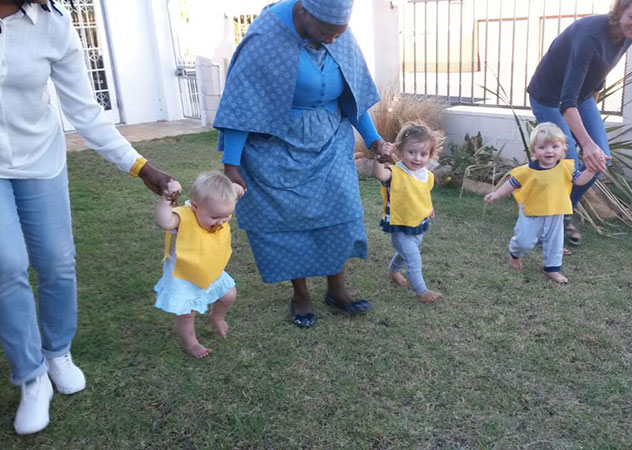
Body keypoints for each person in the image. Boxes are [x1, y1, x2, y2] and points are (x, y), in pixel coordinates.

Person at [0, 0, 178, 435]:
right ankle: (32, 376)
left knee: (58, 262)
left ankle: (57, 352)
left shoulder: (53, 25)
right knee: (5, 265)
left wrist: (141, 167)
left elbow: (84, 110)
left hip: (40, 160)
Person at [213, 0, 393, 329]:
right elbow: (242, 105)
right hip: (278, 147)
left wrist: (373, 139)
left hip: (331, 144)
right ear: (304, 11)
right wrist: (231, 164)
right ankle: (301, 294)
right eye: (327, 32)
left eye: (340, 33)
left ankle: (337, 290)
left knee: (340, 212)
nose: (334, 40)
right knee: (289, 221)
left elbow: (350, 96)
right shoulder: (265, 39)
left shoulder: (337, 32)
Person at [526, 0, 632, 245]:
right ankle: (546, 224)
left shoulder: (630, 35)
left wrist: (587, 132)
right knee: (569, 162)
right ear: (620, 10)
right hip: (548, 96)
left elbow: (599, 72)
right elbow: (566, 101)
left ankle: (563, 213)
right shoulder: (590, 35)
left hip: (582, 96)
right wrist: (584, 143)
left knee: (600, 159)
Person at [484, 123, 596, 284]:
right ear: (534, 150)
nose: (549, 151)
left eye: (554, 146)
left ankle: (552, 269)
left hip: (555, 212)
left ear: (563, 149)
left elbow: (580, 181)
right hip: (532, 212)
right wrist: (497, 194)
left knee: (555, 242)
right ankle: (514, 253)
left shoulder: (566, 168)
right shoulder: (527, 170)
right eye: (542, 147)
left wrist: (592, 169)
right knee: (525, 241)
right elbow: (513, 183)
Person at [154, 173, 244, 359]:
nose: (220, 222)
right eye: (215, 217)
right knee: (187, 313)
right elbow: (164, 222)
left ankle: (216, 317)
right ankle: (192, 343)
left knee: (229, 294)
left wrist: (235, 189)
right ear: (195, 206)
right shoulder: (183, 218)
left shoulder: (218, 209)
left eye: (227, 216)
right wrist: (165, 202)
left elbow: (230, 195)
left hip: (209, 269)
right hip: (184, 276)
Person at [373, 121, 443, 303]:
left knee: (406, 252)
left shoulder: (427, 175)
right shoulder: (396, 173)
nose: (417, 158)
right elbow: (380, 175)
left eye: (423, 154)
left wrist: (430, 208)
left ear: (430, 155)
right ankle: (422, 292)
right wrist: (380, 159)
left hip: (418, 223)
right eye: (411, 152)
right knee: (414, 259)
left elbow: (423, 194)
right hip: (401, 224)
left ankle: (394, 270)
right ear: (399, 151)